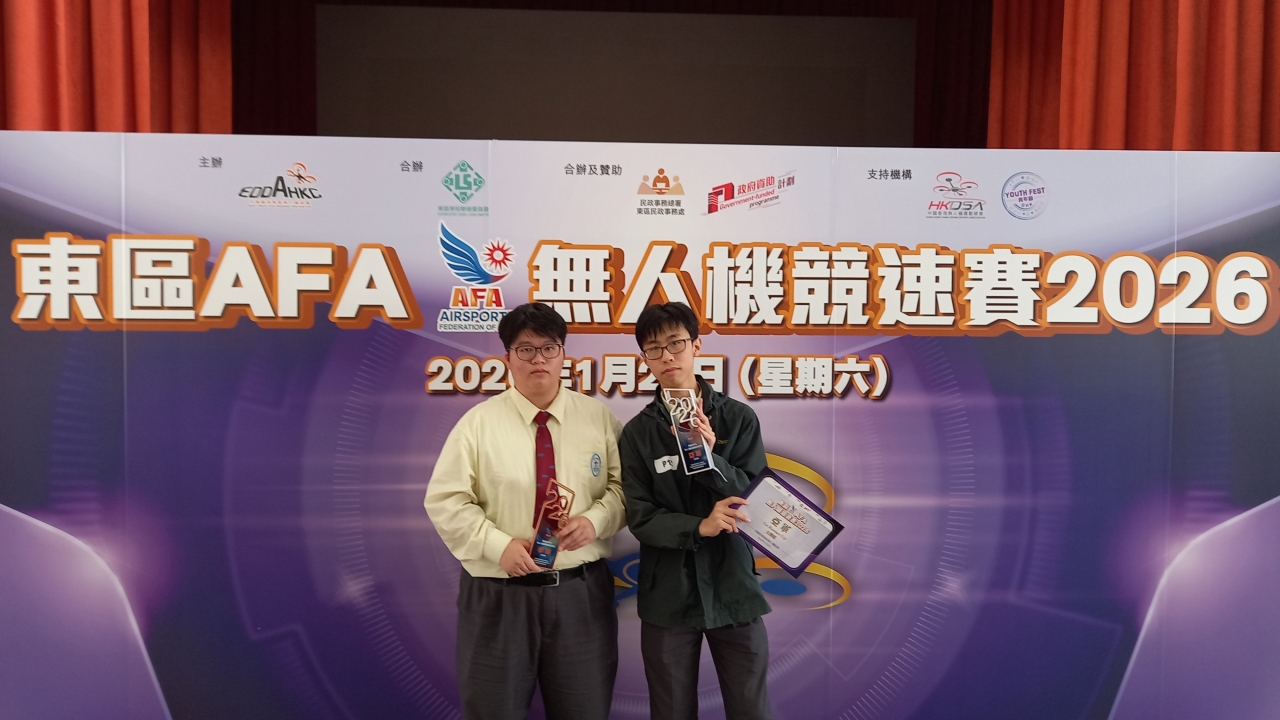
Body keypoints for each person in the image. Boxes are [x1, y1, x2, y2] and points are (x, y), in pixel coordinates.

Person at [424, 302, 626, 720]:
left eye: (549, 348)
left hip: (579, 595)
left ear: (563, 354)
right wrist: (497, 545)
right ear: (508, 358)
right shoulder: (477, 424)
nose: (539, 359)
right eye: (526, 349)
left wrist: (596, 520)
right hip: (498, 595)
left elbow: (626, 489)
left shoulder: (598, 419)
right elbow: (446, 500)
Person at [619, 302, 773, 720]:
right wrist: (699, 526)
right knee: (671, 710)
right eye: (654, 349)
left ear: (696, 346)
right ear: (645, 359)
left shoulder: (738, 418)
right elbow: (640, 516)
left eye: (676, 343)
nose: (667, 356)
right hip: (668, 594)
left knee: (751, 708)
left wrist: (709, 458)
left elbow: (756, 496)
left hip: (732, 585)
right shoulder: (637, 433)